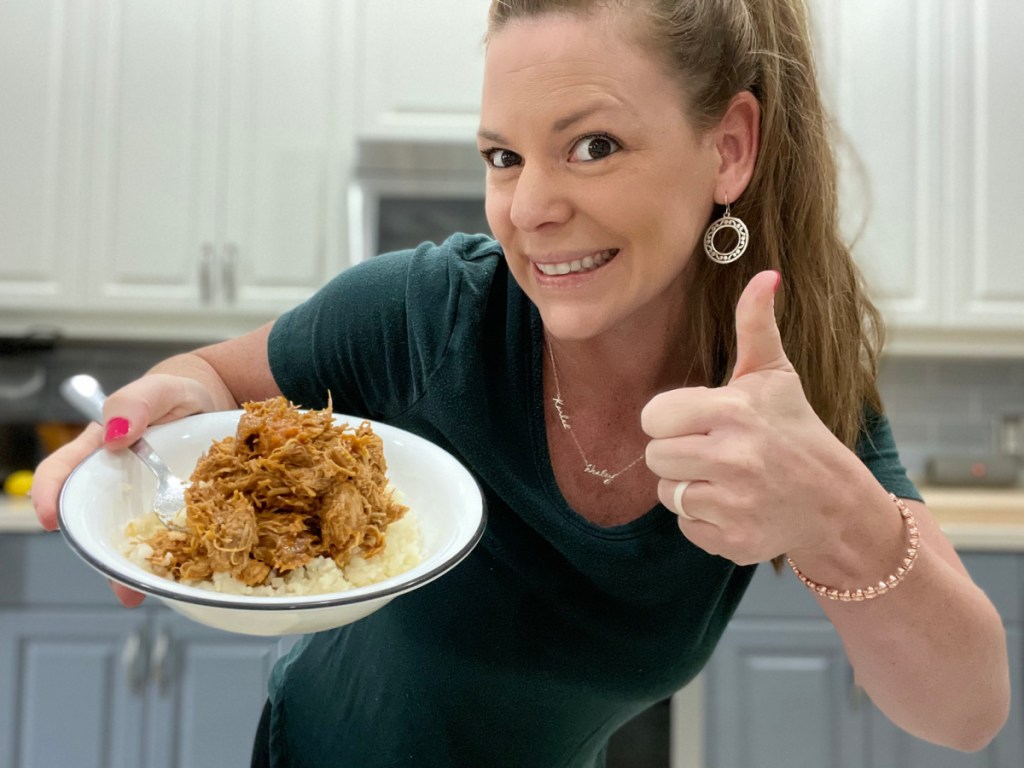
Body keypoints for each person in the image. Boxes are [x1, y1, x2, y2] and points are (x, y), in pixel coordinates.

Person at [33, 0, 1010, 765]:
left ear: (729, 147)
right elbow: (206, 377)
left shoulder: (779, 389)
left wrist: (835, 518)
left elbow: (968, 710)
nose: (529, 208)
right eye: (504, 156)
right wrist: (160, 407)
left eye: (592, 146)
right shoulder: (423, 313)